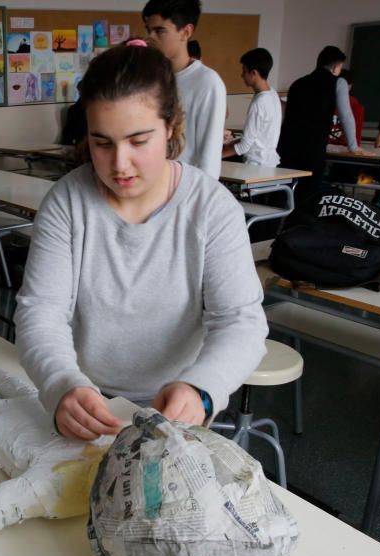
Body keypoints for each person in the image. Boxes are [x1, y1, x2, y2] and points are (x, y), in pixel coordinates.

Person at [14, 42, 267, 442]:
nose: (120, 164)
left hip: (176, 406)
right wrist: (61, 382)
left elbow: (241, 321)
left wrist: (202, 388)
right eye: (102, 143)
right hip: (89, 399)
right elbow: (41, 312)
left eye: (138, 141)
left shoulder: (211, 208)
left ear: (171, 127)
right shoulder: (66, 202)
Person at [142, 0, 225, 179]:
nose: (150, 38)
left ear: (186, 32)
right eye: (148, 30)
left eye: (159, 31)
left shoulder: (207, 82)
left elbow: (209, 159)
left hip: (184, 189)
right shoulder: (149, 78)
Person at [277, 45, 362, 203]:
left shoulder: (298, 83)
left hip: (287, 147)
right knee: (307, 197)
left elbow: (286, 117)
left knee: (284, 194)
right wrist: (354, 147)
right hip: (313, 149)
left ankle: (280, 226)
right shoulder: (338, 82)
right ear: (337, 67)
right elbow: (346, 115)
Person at [223, 48, 280, 167]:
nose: (242, 75)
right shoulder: (273, 94)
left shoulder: (259, 102)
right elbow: (256, 138)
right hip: (270, 163)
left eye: (244, 71)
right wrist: (231, 144)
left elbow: (244, 146)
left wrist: (216, 156)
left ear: (253, 73)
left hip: (255, 166)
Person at [328, 69, 363, 148]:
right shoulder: (325, 102)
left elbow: (355, 137)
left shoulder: (356, 107)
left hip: (343, 149)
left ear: (350, 86)